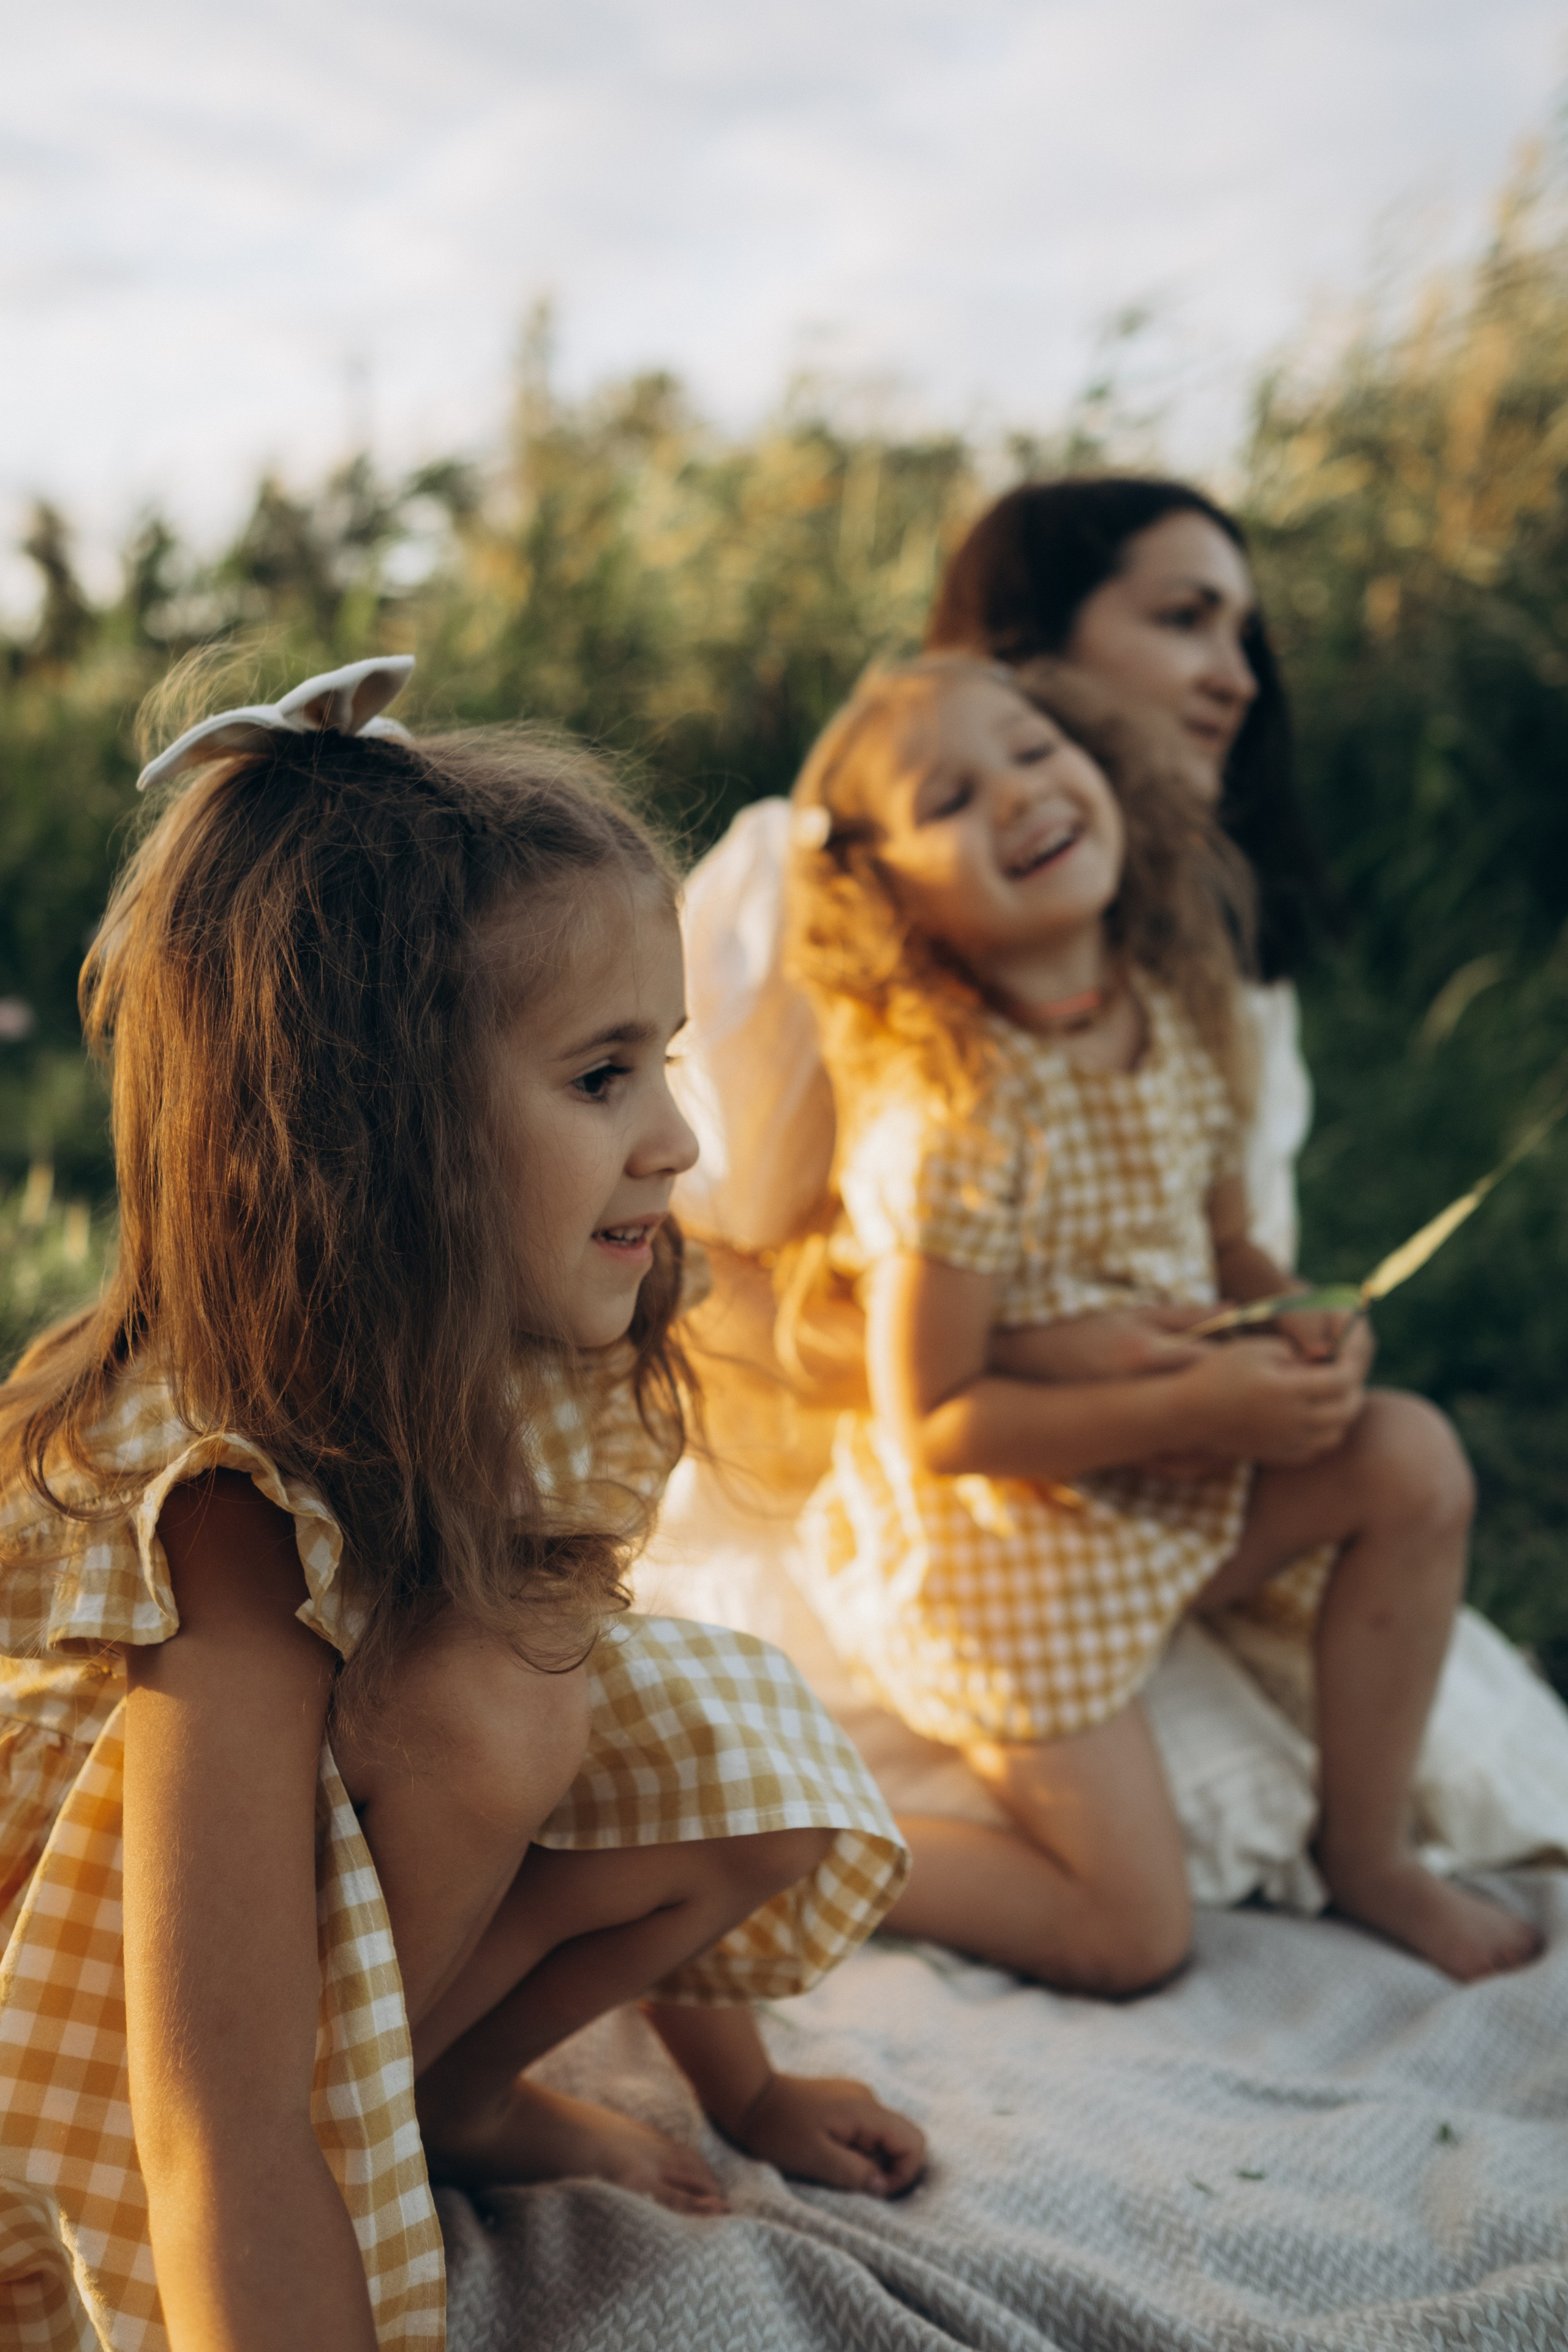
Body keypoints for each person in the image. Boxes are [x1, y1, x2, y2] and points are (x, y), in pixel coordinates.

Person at [0, 658, 922, 2352]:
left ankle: (437, 2099)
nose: (677, 1142)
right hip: (96, 2029)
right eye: (600, 1080)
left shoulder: (502, 1335)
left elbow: (605, 1689)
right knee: (499, 1711)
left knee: (723, 1760)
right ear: (377, 1140)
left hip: (334, 1911)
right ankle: (384, 2117)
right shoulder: (227, 1507)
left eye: (665, 1060)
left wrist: (751, 2087)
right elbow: (210, 2122)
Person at [782, 649, 1542, 1998]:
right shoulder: (952, 1112)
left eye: (1031, 748)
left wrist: (1297, 1320)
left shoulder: (1175, 1016)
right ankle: (788, 1853)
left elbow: (1226, 1241)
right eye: (949, 796)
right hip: (1012, 1546)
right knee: (1125, 1939)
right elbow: (935, 1417)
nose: (1017, 794)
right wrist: (1193, 1405)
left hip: (1170, 1480)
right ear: (888, 893)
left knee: (1410, 1455)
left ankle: (1364, 1851)